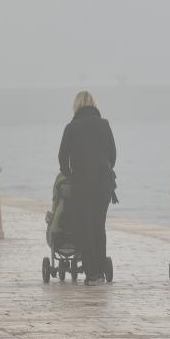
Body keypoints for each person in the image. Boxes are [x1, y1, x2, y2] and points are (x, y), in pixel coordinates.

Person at [58, 91, 117, 286]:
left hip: (81, 183)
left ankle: (91, 274)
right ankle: (99, 272)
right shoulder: (104, 125)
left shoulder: (72, 127)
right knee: (99, 227)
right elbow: (113, 155)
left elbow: (62, 157)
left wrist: (71, 175)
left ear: (76, 106)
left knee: (84, 227)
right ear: (94, 104)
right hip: (103, 183)